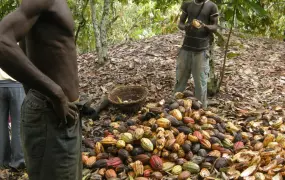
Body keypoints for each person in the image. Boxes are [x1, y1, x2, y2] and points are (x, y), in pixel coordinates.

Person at [0, 0, 82, 179]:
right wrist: (56, 94)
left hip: (55, 113)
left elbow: (26, 48)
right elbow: (2, 41)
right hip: (52, 113)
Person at [174, 0, 219, 108]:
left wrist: (205, 26)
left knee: (200, 83)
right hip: (186, 49)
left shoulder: (212, 6)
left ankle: (201, 110)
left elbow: (215, 27)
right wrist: (186, 26)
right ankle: (174, 105)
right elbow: (180, 24)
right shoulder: (187, 4)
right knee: (180, 80)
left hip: (201, 51)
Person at [0, 68, 25, 170]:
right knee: (18, 124)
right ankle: (18, 161)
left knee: (1, 125)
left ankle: (2, 160)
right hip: (17, 84)